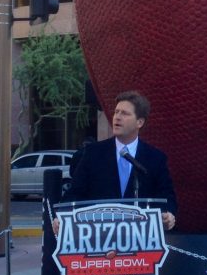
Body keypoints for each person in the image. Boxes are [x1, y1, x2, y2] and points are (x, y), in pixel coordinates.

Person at [57, 91, 177, 233]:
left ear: (140, 122)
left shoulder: (155, 158)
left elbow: (166, 195)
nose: (117, 117)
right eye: (116, 112)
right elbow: (74, 193)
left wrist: (169, 213)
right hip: (99, 236)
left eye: (125, 114)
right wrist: (62, 216)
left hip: (139, 238)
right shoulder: (93, 153)